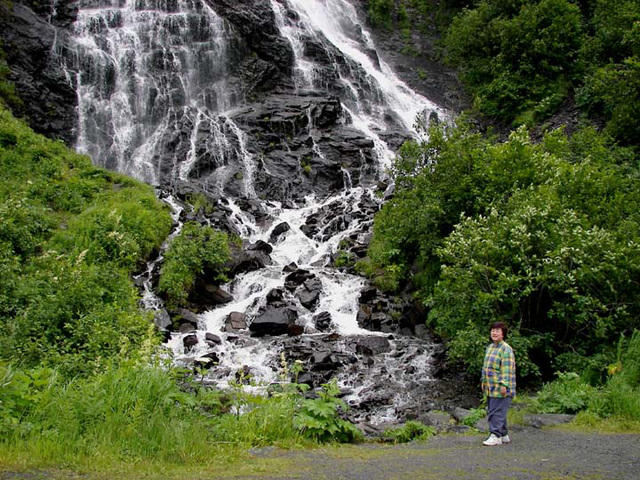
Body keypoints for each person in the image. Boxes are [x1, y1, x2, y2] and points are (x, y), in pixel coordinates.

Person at [481, 321, 516, 446]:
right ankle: (503, 434)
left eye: (497, 331)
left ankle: (495, 435)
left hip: (500, 387)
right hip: (491, 386)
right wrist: (483, 382)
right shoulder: (490, 348)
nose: (494, 333)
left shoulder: (506, 349)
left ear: (503, 334)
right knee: (496, 410)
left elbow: (507, 369)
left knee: (495, 412)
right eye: (493, 330)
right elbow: (486, 368)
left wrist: (504, 385)